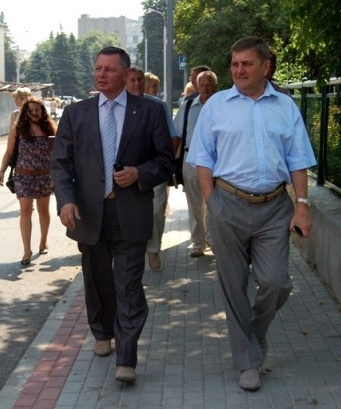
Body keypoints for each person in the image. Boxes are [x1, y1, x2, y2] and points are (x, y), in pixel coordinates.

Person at [187, 36, 316, 391]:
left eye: (247, 64)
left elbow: (298, 160)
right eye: (235, 64)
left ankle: (253, 335)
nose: (239, 70)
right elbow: (202, 158)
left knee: (276, 282)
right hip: (228, 204)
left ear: (266, 67)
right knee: (233, 286)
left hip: (275, 208)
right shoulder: (217, 105)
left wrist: (302, 206)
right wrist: (212, 202)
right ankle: (247, 361)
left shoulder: (285, 106)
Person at [50, 46, 175, 384]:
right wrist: (65, 201)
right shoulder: (75, 113)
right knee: (97, 280)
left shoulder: (148, 111)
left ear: (126, 73)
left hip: (130, 212)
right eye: (98, 68)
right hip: (90, 214)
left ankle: (127, 357)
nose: (101, 74)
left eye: (109, 69)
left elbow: (166, 161)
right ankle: (102, 331)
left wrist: (140, 173)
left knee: (129, 285)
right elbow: (60, 164)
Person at [125, 67, 180, 271]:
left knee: (157, 210)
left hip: (155, 168)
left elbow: (173, 136)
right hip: (126, 170)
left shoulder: (158, 106)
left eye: (140, 80)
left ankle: (153, 249)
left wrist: (167, 164)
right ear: (124, 82)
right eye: (132, 80)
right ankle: (133, 250)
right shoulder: (118, 106)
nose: (137, 84)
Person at [0, 97, 56, 265]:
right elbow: (9, 152)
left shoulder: (50, 128)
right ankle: (26, 250)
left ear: (43, 111)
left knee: (43, 210)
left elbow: (57, 153)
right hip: (23, 176)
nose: (35, 113)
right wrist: (2, 171)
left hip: (44, 176)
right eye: (31, 110)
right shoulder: (18, 130)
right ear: (25, 112)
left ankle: (43, 241)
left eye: (38, 110)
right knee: (25, 210)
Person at [173, 70, 218, 258]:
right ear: (197, 86)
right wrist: (171, 160)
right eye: (202, 84)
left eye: (209, 84)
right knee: (195, 205)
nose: (205, 88)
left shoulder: (222, 105)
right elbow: (177, 134)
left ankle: (213, 241)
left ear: (215, 86)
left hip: (217, 162)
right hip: (190, 159)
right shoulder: (188, 105)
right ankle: (198, 243)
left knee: (215, 203)